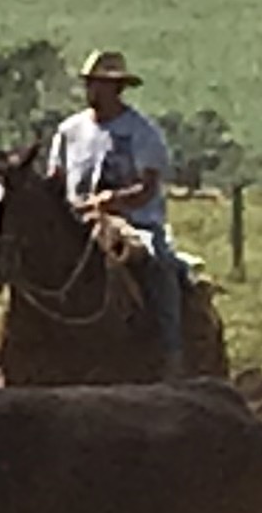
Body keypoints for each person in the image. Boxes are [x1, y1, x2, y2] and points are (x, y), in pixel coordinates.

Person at [42, 48, 188, 376]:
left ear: (118, 88)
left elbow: (147, 187)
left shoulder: (141, 132)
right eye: (90, 83)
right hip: (78, 222)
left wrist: (111, 201)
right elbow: (56, 181)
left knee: (160, 265)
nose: (92, 90)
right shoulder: (68, 132)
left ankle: (171, 352)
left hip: (134, 222)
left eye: (101, 84)